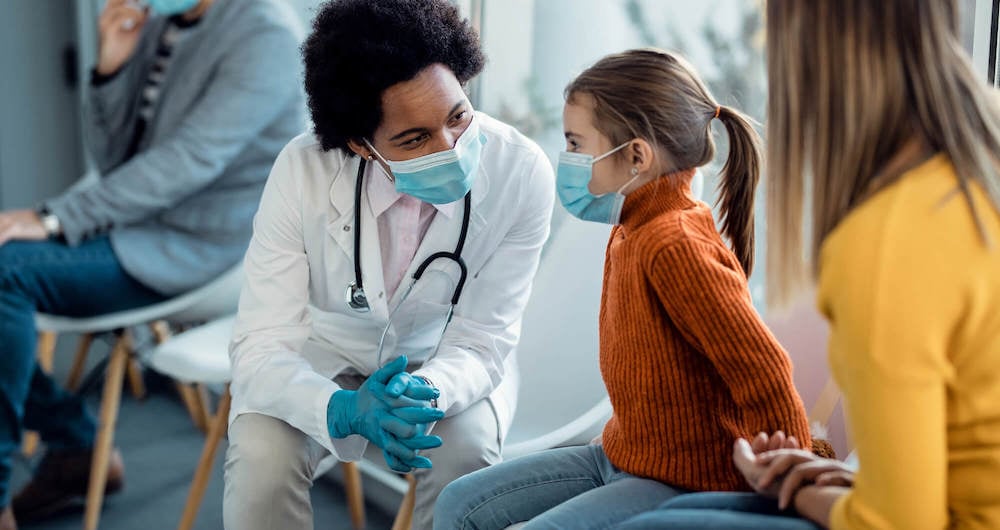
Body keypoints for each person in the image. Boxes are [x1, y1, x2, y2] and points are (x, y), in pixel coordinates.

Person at [614, 1, 1000, 528]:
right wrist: (855, 480)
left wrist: (798, 494)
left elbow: (901, 522)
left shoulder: (884, 239)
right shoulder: (978, 168)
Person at [432, 48, 812, 530]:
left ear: (636, 156)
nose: (565, 158)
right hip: (623, 456)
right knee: (458, 504)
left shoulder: (675, 244)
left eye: (575, 143)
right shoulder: (630, 226)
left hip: (687, 480)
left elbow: (764, 368)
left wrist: (791, 474)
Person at [222, 1, 555, 529]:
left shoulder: (521, 171)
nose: (451, 147)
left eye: (458, 116)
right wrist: (344, 409)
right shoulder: (303, 171)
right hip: (325, 353)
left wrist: (429, 392)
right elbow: (261, 346)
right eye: (414, 138)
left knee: (464, 463)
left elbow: (483, 339)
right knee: (262, 458)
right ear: (360, 145)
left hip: (445, 357)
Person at [0, 0, 303, 527]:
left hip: (203, 248)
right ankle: (76, 442)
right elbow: (116, 158)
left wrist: (53, 218)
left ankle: (66, 448)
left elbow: (187, 161)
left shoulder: (266, 34)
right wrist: (111, 67)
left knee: (8, 273)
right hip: (138, 226)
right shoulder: (162, 23)